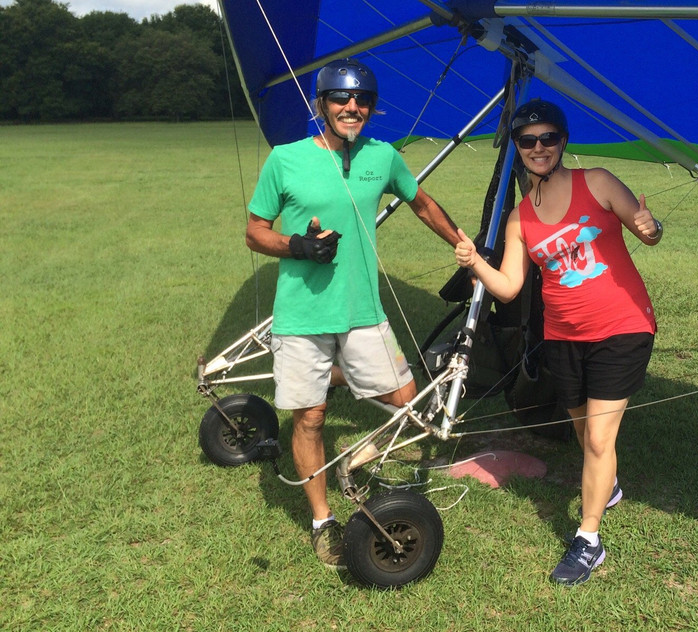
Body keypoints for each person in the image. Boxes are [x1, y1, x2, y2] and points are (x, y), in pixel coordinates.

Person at [245, 58, 459, 570]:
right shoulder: (286, 159)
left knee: (409, 402)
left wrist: (466, 248)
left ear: (371, 108)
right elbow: (254, 230)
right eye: (341, 99)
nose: (352, 107)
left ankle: (338, 387)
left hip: (363, 309)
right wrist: (296, 245)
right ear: (321, 105)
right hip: (302, 314)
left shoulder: (383, 157)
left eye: (361, 100)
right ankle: (323, 522)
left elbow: (423, 203)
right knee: (311, 417)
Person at [454, 98, 661, 586]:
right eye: (528, 141)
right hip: (563, 336)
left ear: (563, 141)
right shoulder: (520, 219)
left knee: (597, 437)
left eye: (548, 138)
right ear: (517, 149)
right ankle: (605, 485)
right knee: (581, 428)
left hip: (622, 326)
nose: (539, 148)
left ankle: (588, 540)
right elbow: (507, 286)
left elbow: (645, 230)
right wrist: (472, 262)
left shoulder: (599, 181)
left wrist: (650, 228)